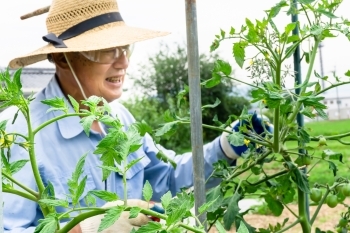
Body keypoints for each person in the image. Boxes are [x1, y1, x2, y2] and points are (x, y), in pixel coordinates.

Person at [2, 0, 272, 232]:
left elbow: (166, 182)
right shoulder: (18, 132)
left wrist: (225, 148)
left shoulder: (119, 119)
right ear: (63, 59)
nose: (123, 62)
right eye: (106, 50)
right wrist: (89, 228)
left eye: (125, 48)